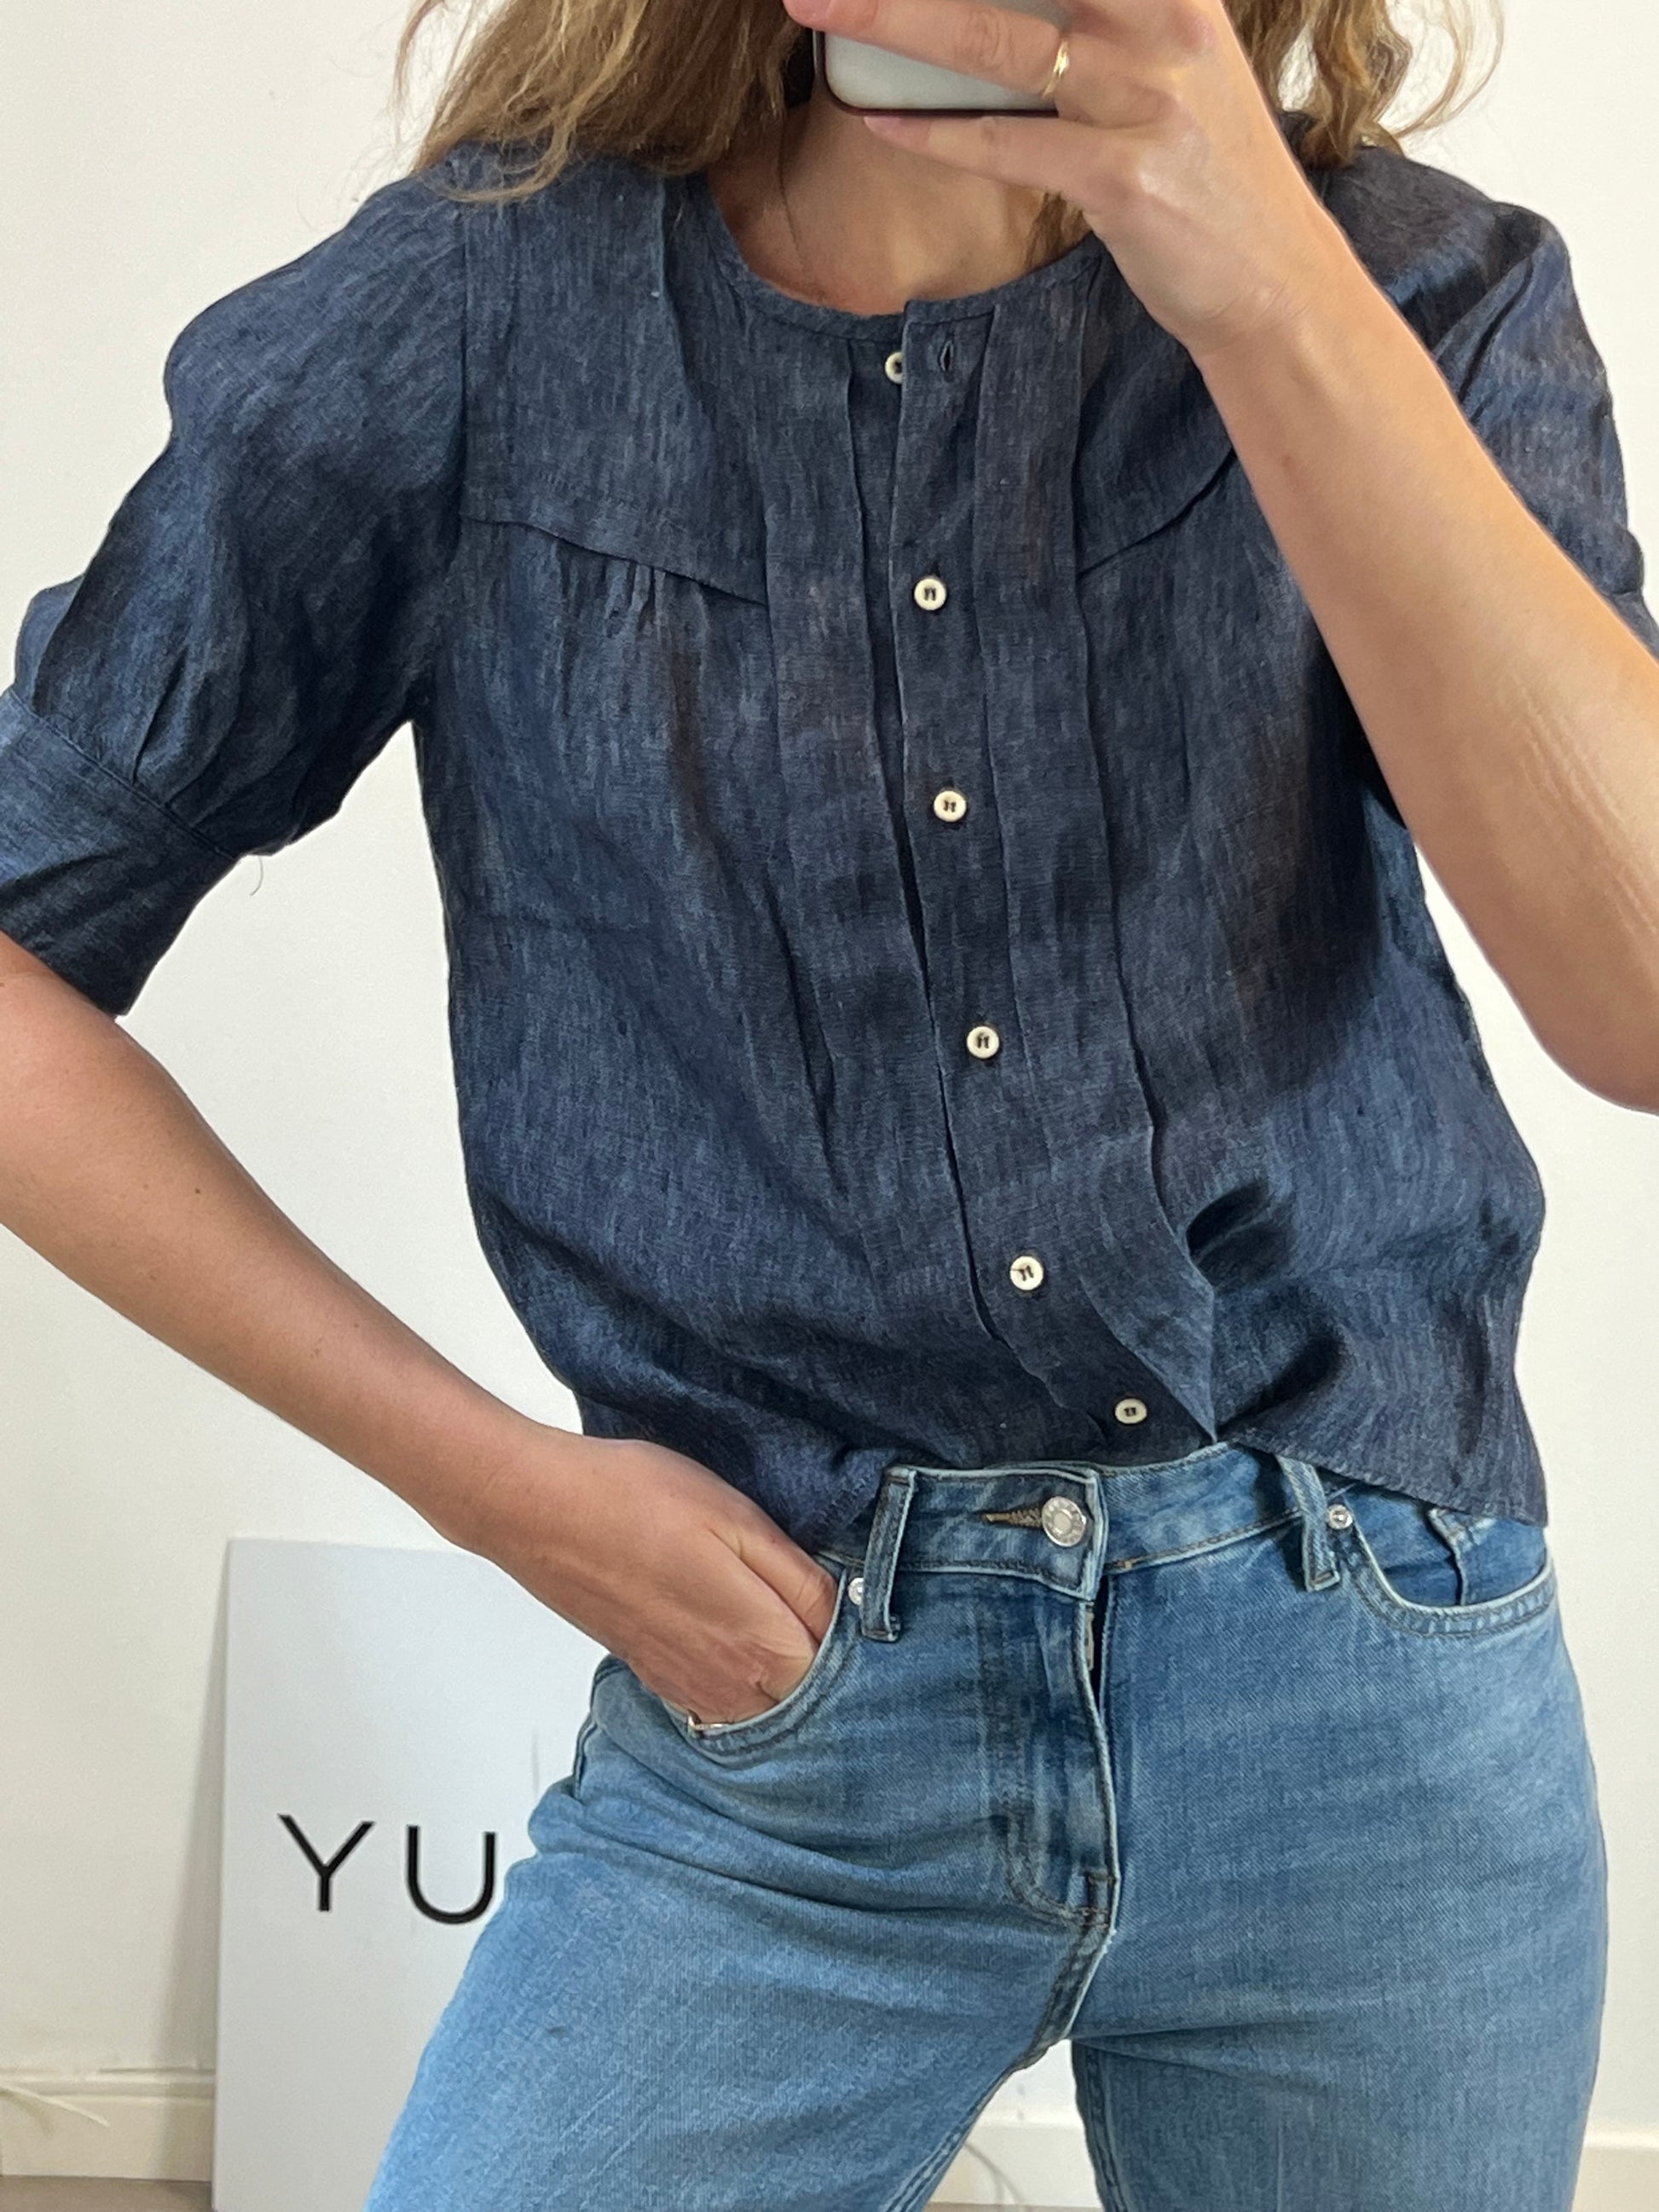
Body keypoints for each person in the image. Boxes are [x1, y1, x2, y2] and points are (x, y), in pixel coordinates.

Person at [2, 0, 1656, 2201]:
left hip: (1367, 1672)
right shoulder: (475, 314)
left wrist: (1263, 283)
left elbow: (1637, 1003)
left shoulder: (1423, 292)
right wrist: (500, 1491)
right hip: (785, 1709)